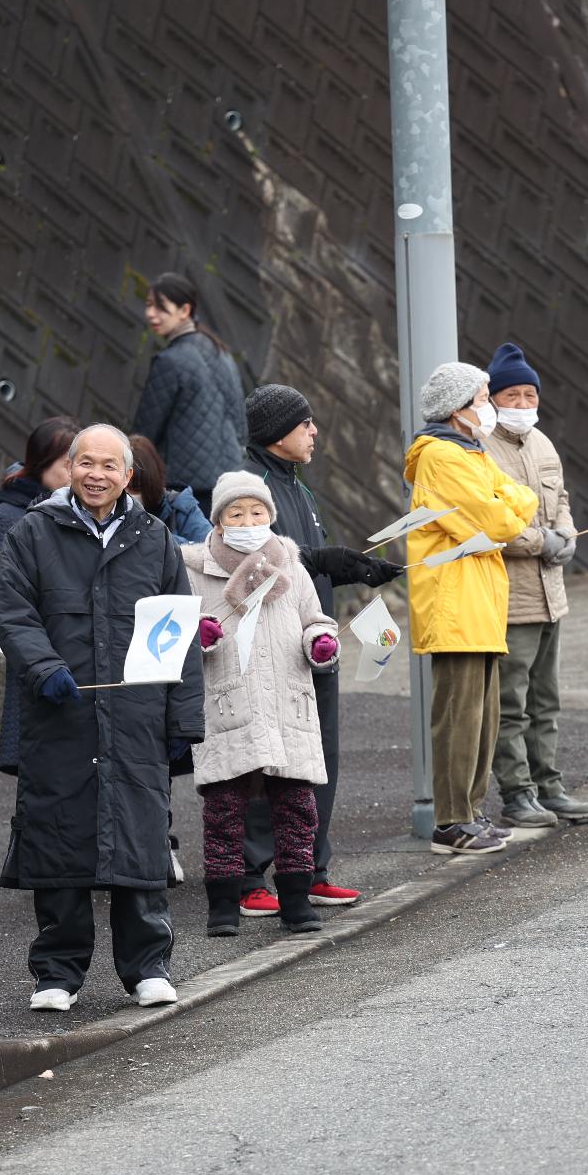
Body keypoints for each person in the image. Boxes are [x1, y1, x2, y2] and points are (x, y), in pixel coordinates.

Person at [0, 424, 205, 1013]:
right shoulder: (32, 532)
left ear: (128, 475)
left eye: (110, 466)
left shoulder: (155, 538)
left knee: (140, 838)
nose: (96, 475)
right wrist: (43, 669)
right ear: (70, 466)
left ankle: (147, 967)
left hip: (136, 715)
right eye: (85, 463)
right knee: (58, 839)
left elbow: (179, 631)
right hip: (59, 713)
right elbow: (13, 614)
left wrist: (184, 720)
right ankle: (56, 974)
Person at [235, 385, 402, 917]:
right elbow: (257, 561)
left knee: (318, 757)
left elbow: (310, 566)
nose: (314, 433)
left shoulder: (299, 489)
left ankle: (308, 869)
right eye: (305, 423)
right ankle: (248, 877)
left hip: (315, 642)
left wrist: (351, 567)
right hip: (269, 649)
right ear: (279, 431)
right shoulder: (248, 487)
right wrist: (332, 559)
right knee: (270, 762)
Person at [182, 471, 341, 937]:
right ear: (218, 519)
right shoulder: (194, 567)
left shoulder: (290, 560)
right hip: (229, 703)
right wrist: (200, 636)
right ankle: (223, 908)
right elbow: (181, 628)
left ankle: (295, 901)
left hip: (286, 697)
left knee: (295, 806)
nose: (247, 521)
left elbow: (314, 617)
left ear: (269, 516)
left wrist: (320, 642)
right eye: (236, 513)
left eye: (256, 512)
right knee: (224, 811)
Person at [404, 362, 539, 856]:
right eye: (483, 397)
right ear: (457, 408)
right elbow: (497, 518)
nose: (490, 406)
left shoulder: (472, 452)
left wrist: (508, 506)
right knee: (459, 715)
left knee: (482, 716)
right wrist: (508, 507)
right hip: (454, 600)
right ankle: (451, 820)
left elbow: (516, 500)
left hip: (478, 597)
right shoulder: (442, 455)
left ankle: (471, 812)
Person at [481, 342, 588, 831]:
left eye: (530, 395)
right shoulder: (481, 448)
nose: (524, 405)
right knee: (512, 703)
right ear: (492, 400)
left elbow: (562, 500)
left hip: (551, 593)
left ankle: (551, 786)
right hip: (511, 596)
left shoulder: (544, 444)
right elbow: (489, 522)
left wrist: (565, 535)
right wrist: (538, 541)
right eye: (513, 395)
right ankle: (517, 794)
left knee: (545, 699)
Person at [0, 417, 76, 777]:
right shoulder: (9, 515)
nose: (73, 472)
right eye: (65, 463)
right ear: (41, 462)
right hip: (33, 658)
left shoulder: (81, 509)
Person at [133, 270, 246, 513]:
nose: (150, 314)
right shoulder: (222, 353)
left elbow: (144, 434)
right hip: (229, 485)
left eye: (161, 307)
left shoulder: (170, 360)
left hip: (184, 491)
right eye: (149, 305)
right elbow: (240, 422)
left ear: (185, 311)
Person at [128, 434, 212, 545]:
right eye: (121, 489)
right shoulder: (105, 511)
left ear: (151, 482)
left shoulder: (180, 505)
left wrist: (158, 537)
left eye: (135, 487)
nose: (127, 495)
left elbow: (209, 548)